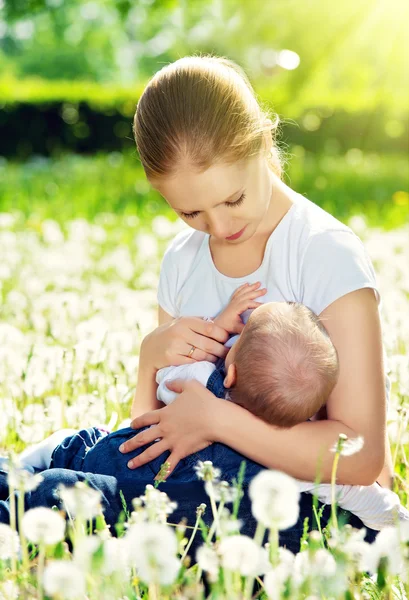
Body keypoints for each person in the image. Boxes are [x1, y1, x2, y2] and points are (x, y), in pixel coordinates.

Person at [0, 53, 397, 552]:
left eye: (232, 199)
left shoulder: (322, 253)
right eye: (190, 211)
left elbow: (361, 458)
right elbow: (153, 431)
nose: (220, 226)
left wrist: (220, 420)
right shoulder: (182, 262)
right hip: (185, 487)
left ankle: (38, 497)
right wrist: (150, 358)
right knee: (121, 489)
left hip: (303, 504)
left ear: (260, 142)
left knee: (122, 508)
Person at [11, 297, 408, 532]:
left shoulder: (199, 379)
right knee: (48, 488)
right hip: (138, 491)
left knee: (63, 456)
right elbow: (362, 496)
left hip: (107, 455)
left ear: (229, 371)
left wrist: (217, 327)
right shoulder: (297, 464)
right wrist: (398, 523)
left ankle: (30, 465)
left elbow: (169, 372)